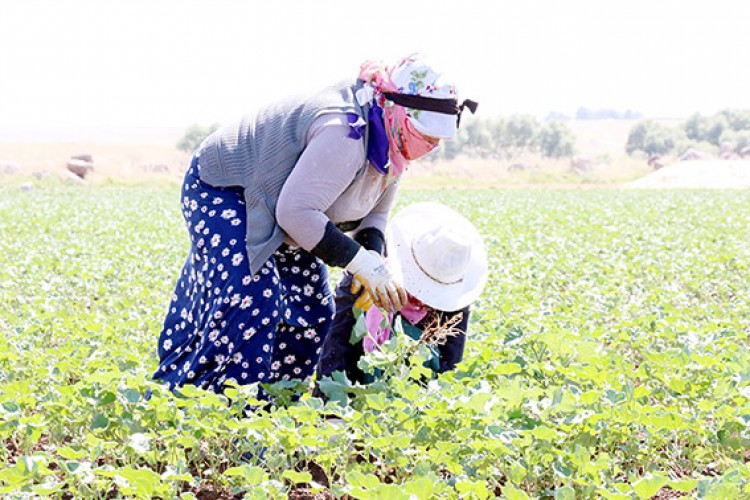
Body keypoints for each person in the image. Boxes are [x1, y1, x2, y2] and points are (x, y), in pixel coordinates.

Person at [153, 54, 478, 394]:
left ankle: (273, 409)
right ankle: (208, 409)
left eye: (439, 139)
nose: (434, 145)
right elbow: (295, 214)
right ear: (397, 112)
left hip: (287, 210)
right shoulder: (345, 132)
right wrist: (360, 262)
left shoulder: (392, 146)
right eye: (427, 135)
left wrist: (374, 263)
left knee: (314, 311)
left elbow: (375, 216)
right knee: (250, 299)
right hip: (228, 190)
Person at [315, 202, 487, 388]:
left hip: (415, 393)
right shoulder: (367, 276)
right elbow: (336, 346)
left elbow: (450, 364)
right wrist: (332, 405)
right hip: (361, 383)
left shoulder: (455, 295)